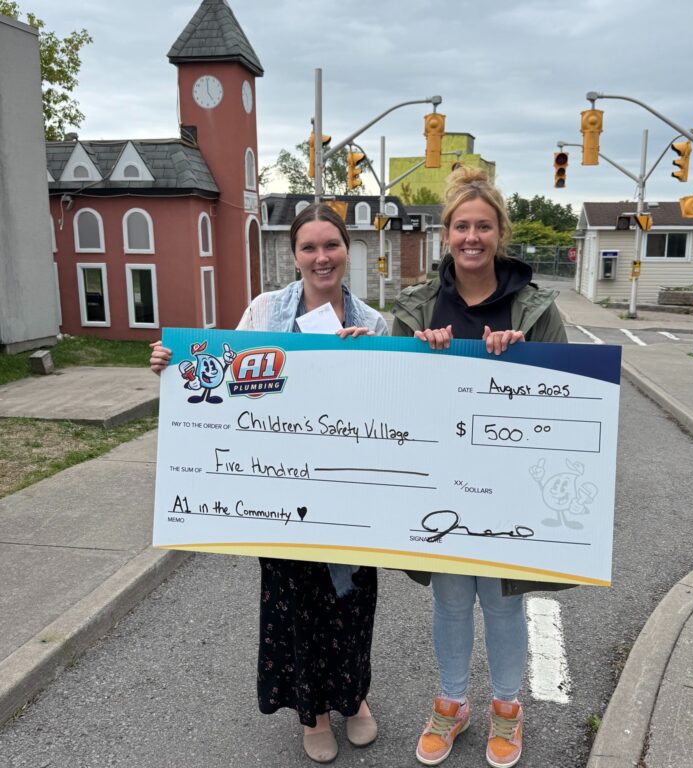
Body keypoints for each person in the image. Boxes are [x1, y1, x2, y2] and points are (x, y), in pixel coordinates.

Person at [150, 203, 388, 764]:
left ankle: (352, 698)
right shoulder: (263, 311)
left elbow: (390, 406)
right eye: (309, 247)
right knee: (297, 604)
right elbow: (224, 376)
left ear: (346, 249)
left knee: (351, 602)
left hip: (347, 491)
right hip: (280, 491)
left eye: (331, 245)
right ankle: (314, 713)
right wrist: (174, 364)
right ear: (294, 255)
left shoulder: (373, 323)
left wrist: (369, 359)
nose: (321, 257)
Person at [391, 167, 568, 768]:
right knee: (448, 600)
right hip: (438, 477)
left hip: (508, 482)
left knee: (500, 600)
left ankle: (507, 708)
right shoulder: (417, 307)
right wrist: (419, 353)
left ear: (500, 234)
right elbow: (388, 395)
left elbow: (570, 394)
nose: (472, 237)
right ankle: (451, 703)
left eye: (483, 226)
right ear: (446, 235)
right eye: (461, 226)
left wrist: (526, 357)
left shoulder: (534, 309)